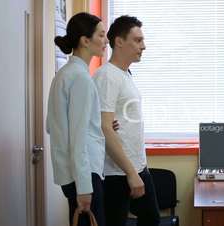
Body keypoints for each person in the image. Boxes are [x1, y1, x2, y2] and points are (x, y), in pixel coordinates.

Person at [93, 15, 160, 226]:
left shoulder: (125, 74)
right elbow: (105, 127)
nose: (144, 46)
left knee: (151, 219)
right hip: (117, 172)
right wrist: (131, 173)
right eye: (138, 40)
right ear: (119, 42)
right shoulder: (106, 76)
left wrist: (138, 169)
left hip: (137, 166)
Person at [46, 12, 108, 226]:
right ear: (85, 40)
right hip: (84, 175)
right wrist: (84, 188)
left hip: (73, 173)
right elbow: (79, 137)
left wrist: (94, 125)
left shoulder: (64, 74)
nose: (106, 40)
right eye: (101, 35)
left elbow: (51, 125)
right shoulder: (81, 78)